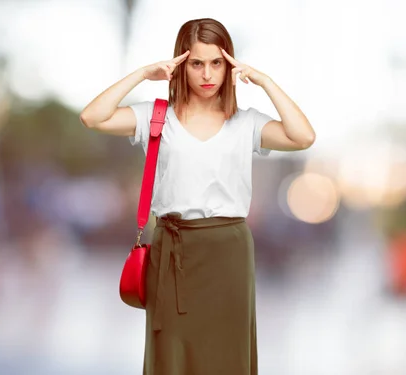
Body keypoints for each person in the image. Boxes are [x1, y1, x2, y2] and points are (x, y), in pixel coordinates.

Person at [79, 18, 315, 375]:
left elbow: (303, 137)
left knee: (225, 357)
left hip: (228, 254)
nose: (207, 74)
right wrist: (143, 74)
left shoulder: (245, 123)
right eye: (197, 63)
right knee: (171, 356)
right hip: (172, 252)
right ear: (181, 65)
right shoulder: (156, 117)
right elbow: (92, 116)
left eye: (217, 62)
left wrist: (265, 82)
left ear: (229, 65)